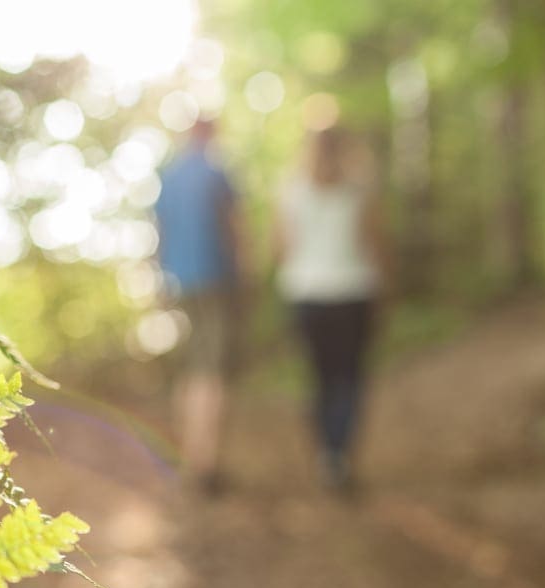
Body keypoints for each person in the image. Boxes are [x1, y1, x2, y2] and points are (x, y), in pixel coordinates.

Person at [273, 126, 388, 493]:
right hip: (354, 292)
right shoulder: (360, 189)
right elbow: (374, 242)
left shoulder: (291, 191)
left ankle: (327, 453)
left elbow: (281, 248)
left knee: (321, 378)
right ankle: (338, 453)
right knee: (350, 377)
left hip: (307, 294)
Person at [154, 118, 245, 493]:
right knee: (211, 371)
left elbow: (159, 232)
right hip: (216, 280)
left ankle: (189, 455)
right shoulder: (217, 174)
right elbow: (235, 230)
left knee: (192, 368)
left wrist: (160, 280)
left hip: (180, 282)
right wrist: (247, 276)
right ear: (211, 134)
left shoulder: (170, 177)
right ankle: (205, 464)